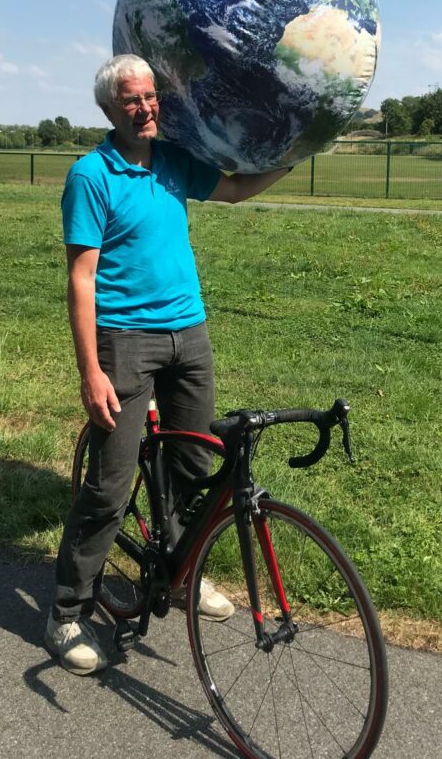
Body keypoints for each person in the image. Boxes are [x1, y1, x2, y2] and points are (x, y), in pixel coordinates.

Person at [46, 54, 291, 674]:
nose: (146, 107)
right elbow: (81, 279)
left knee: (194, 465)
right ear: (109, 108)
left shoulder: (175, 161)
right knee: (107, 486)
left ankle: (182, 577)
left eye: (151, 96)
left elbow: (234, 189)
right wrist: (90, 371)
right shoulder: (90, 175)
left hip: (191, 336)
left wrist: (292, 160)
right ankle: (67, 612)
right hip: (124, 341)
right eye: (132, 99)